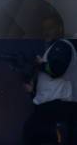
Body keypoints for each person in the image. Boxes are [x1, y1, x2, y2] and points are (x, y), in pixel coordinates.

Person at [23, 13, 77, 145]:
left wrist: (39, 64)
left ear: (60, 28)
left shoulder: (62, 45)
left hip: (59, 106)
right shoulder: (54, 48)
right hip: (51, 106)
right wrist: (32, 91)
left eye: (50, 28)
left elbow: (56, 70)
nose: (46, 32)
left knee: (36, 134)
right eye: (44, 29)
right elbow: (51, 83)